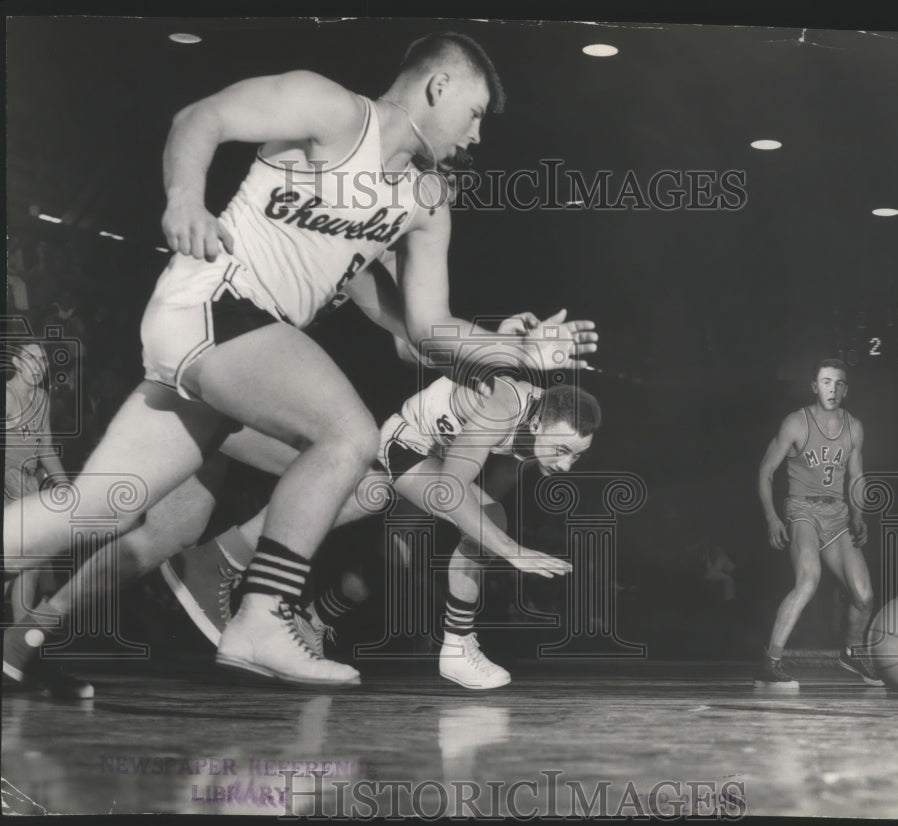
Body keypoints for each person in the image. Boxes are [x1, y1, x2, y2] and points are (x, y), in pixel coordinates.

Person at [2, 32, 597, 691]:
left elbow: (424, 331)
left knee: (101, 506)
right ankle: (262, 616)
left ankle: (34, 632)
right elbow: (202, 118)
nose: (478, 134)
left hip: (237, 349)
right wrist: (183, 199)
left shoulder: (425, 202)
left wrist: (514, 349)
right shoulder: (333, 111)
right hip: (213, 303)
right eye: (477, 112)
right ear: (439, 87)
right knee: (348, 435)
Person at [166, 371, 599, 689]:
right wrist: (509, 548)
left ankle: (299, 612)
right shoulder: (504, 406)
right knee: (483, 526)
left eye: (575, 456)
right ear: (540, 423)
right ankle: (458, 645)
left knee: (389, 556)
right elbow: (452, 490)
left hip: (433, 462)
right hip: (405, 448)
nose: (564, 464)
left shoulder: (536, 434)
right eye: (562, 450)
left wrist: (489, 540)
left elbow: (482, 494)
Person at [754, 359, 883, 689]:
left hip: (837, 516)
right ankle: (770, 663)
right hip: (802, 511)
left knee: (864, 596)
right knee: (808, 580)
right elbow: (766, 472)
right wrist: (771, 517)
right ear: (815, 386)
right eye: (826, 382)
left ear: (846, 389)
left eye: (839, 383)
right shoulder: (796, 423)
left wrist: (858, 516)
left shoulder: (854, 427)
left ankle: (851, 653)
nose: (833, 389)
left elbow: (857, 477)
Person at [4, 341, 70, 627]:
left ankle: (18, 642)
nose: (37, 365)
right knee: (19, 561)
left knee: (28, 564)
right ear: (17, 363)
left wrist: (66, 486)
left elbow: (45, 449)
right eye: (30, 358)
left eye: (42, 360)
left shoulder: (42, 397)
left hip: (27, 484)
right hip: (9, 483)